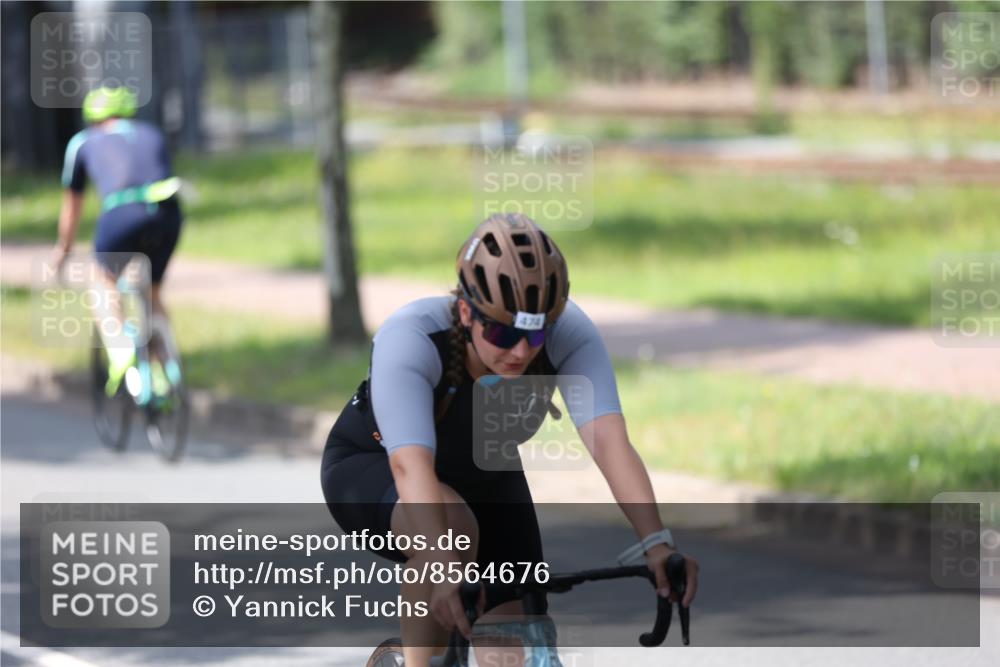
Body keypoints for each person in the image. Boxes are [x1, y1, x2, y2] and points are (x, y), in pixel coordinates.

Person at [321, 212, 699, 667]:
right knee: (453, 530)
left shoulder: (569, 333)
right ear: (466, 312)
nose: (521, 350)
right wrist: (443, 566)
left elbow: (609, 442)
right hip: (374, 467)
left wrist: (656, 543)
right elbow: (411, 466)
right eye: (503, 332)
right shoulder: (413, 337)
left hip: (487, 475)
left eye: (535, 333)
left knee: (515, 652)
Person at [52, 85, 184, 398]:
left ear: (92, 117)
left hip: (122, 212)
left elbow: (72, 209)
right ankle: (169, 372)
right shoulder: (152, 133)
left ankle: (121, 351)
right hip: (168, 211)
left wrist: (63, 250)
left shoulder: (82, 142)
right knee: (152, 294)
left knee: (102, 281)